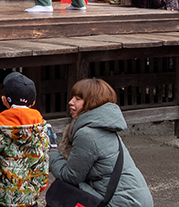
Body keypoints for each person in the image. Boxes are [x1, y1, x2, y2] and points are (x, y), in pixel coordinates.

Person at [49, 78, 154, 207]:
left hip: (121, 202)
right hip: (136, 199)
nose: (71, 102)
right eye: (72, 98)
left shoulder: (87, 134)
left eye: (78, 99)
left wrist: (51, 151)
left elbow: (71, 176)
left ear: (92, 102)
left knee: (63, 189)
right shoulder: (104, 127)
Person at [0, 72, 49, 207]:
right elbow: (43, 160)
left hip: (3, 196)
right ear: (33, 102)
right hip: (30, 195)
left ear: (4, 100)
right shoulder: (42, 130)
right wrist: (41, 184)